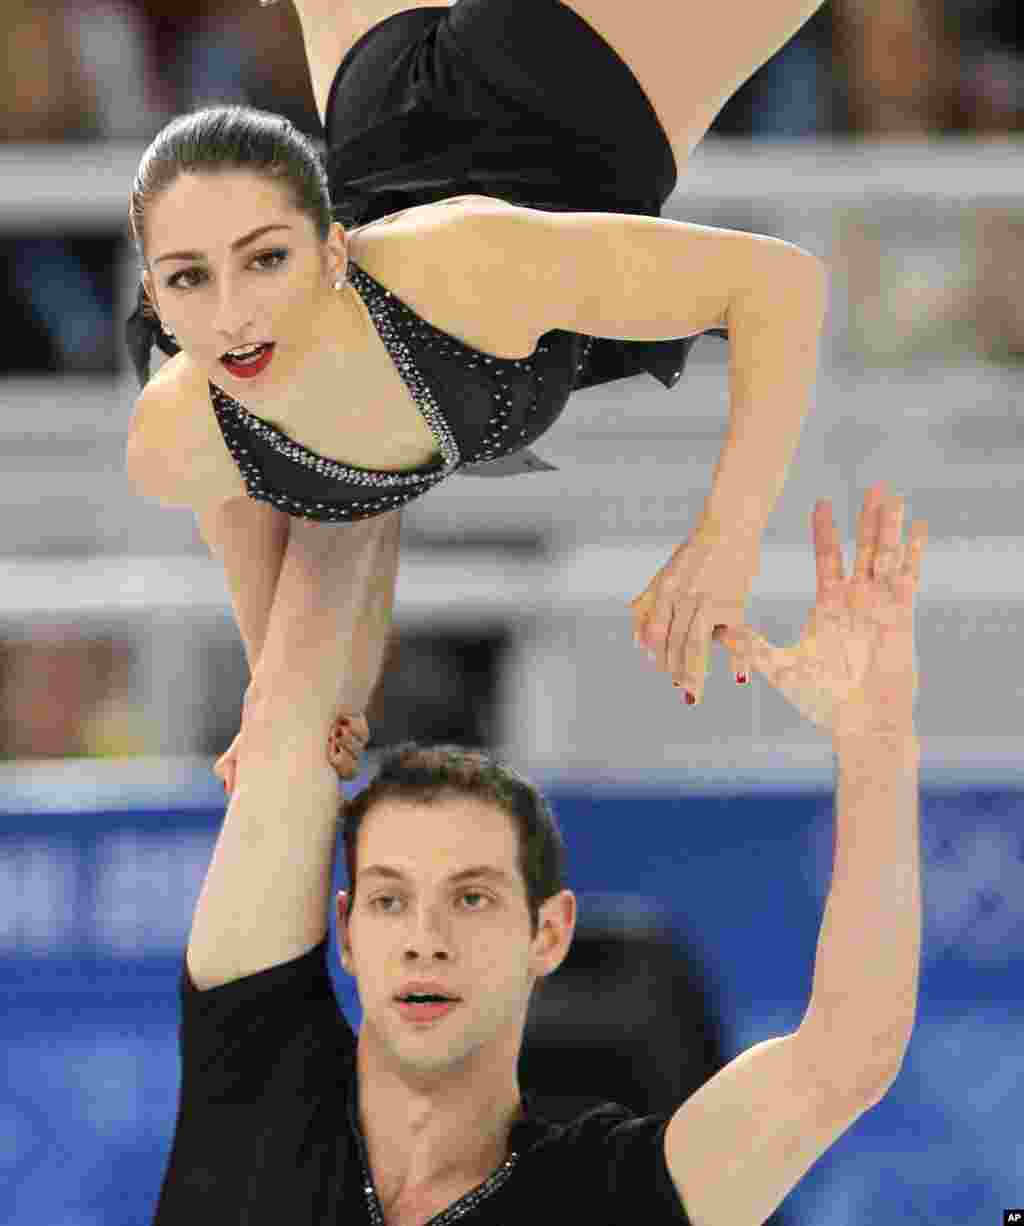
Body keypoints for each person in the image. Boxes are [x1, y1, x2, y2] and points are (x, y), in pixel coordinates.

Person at [151, 479, 928, 1225]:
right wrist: (361, 435)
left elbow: (846, 1055)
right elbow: (294, 717)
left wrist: (875, 741)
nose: (426, 939)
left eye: (472, 897)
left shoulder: (602, 1198)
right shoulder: (256, 1085)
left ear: (547, 933)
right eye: (391, 900)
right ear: (347, 931)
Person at [123, 0, 834, 735]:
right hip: (396, 102)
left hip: (551, 78)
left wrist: (728, 541)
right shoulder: (180, 441)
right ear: (156, 298)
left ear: (332, 252)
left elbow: (782, 286)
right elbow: (284, 610)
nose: (234, 316)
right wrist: (281, 705)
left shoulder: (459, 269)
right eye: (188, 281)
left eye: (265, 262)